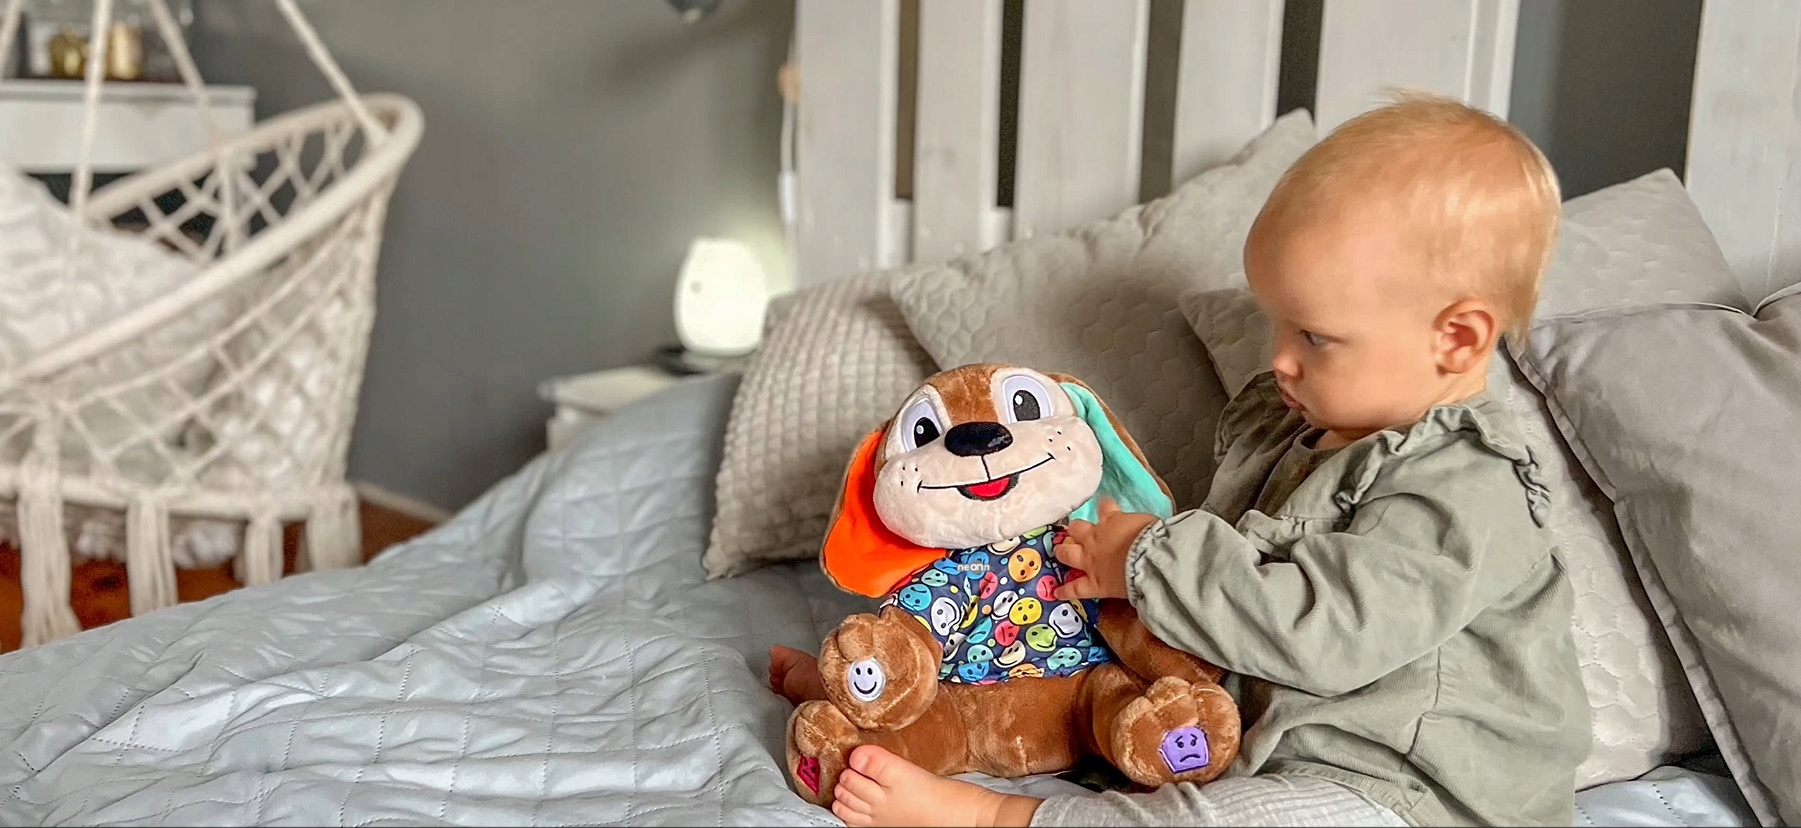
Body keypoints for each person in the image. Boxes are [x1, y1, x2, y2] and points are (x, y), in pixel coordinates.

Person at [770, 91, 1592, 827]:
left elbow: (1325, 632)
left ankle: (995, 818)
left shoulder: (1466, 486)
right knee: (1105, 693)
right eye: (1276, 324)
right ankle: (905, 694)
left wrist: (1148, 561)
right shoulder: (1301, 431)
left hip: (1415, 795)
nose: (1279, 359)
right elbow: (1226, 603)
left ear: (1456, 339)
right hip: (1290, 756)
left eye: (1313, 336)